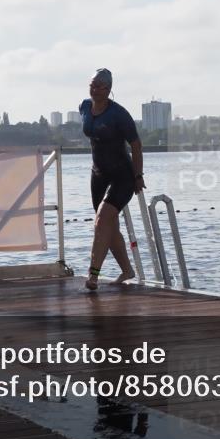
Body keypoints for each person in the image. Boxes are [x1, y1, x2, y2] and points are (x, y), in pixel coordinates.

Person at [79, 68, 143, 291]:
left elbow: (136, 145)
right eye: (92, 85)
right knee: (108, 225)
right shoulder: (85, 107)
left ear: (109, 90)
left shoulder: (119, 114)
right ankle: (127, 270)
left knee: (101, 220)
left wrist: (138, 175)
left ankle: (93, 276)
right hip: (98, 174)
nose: (95, 90)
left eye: (100, 87)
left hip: (121, 175)